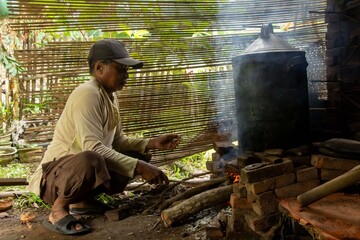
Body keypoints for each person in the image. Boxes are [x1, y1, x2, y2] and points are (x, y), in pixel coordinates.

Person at [28, 39, 181, 235]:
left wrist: (151, 143)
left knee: (137, 154)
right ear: (100, 68)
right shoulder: (88, 94)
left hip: (74, 175)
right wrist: (140, 168)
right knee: (92, 157)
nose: (126, 75)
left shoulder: (109, 95)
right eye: (121, 69)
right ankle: (58, 209)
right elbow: (93, 148)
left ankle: (83, 201)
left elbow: (118, 142)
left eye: (127, 70)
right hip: (53, 179)